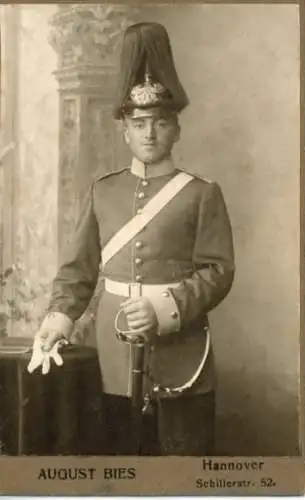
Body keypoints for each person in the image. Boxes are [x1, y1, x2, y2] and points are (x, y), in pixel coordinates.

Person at [28, 22, 235, 456]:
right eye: (139, 123)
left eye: (160, 122)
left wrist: (164, 308)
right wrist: (58, 318)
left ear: (176, 129)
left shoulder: (201, 193)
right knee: (120, 465)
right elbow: (78, 271)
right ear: (125, 130)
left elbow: (218, 271)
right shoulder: (103, 190)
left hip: (182, 351)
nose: (149, 133)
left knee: (182, 467)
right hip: (113, 354)